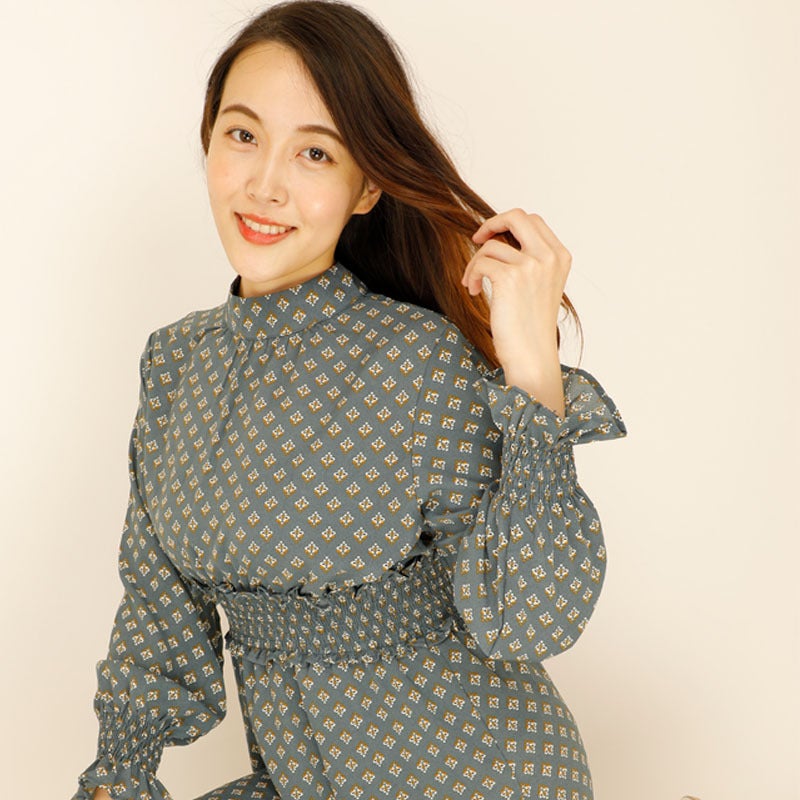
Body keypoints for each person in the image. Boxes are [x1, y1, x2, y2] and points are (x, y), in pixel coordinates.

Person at [73, 2, 626, 799]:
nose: (265, 185)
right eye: (243, 135)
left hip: (484, 776)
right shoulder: (175, 364)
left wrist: (533, 367)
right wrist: (117, 777)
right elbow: (159, 619)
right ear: (208, 141)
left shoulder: (417, 360)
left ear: (365, 186)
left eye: (315, 153)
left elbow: (531, 618)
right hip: (300, 782)